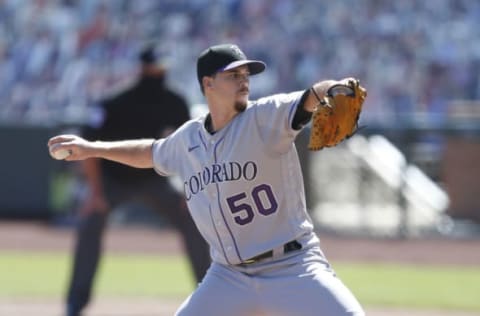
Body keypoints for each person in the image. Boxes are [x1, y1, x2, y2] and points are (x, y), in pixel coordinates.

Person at [49, 43, 365, 316]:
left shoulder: (266, 117)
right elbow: (150, 152)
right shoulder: (189, 138)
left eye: (246, 76)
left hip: (292, 266)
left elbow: (311, 96)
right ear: (208, 83)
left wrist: (334, 88)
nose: (244, 82)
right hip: (228, 276)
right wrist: (93, 149)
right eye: (233, 75)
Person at [63, 44, 210, 316]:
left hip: (153, 179)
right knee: (90, 223)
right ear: (143, 68)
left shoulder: (174, 101)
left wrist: (191, 193)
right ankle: (75, 304)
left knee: (194, 219)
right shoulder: (114, 102)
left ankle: (210, 297)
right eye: (156, 66)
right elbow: (88, 149)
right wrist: (95, 194)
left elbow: (191, 146)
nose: (160, 71)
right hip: (112, 179)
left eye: (164, 66)